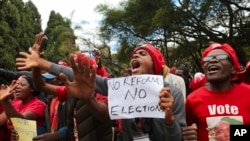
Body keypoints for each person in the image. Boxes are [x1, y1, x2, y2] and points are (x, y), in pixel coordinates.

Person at [16, 43, 186, 141]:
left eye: (142, 54)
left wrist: (169, 120)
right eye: (133, 55)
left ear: (155, 64)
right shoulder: (123, 87)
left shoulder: (174, 94)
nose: (135, 57)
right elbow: (74, 75)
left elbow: (177, 139)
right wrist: (42, 63)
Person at [185, 42, 250, 141]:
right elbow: (186, 130)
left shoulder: (248, 93)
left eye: (221, 57)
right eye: (207, 59)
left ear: (233, 68)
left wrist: (229, 132)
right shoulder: (192, 99)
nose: (213, 60)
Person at [0, 75, 46, 140]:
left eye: (22, 85)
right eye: (17, 84)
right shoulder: (16, 102)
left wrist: (5, 101)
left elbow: (20, 121)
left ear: (32, 89)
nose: (17, 87)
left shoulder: (39, 105)